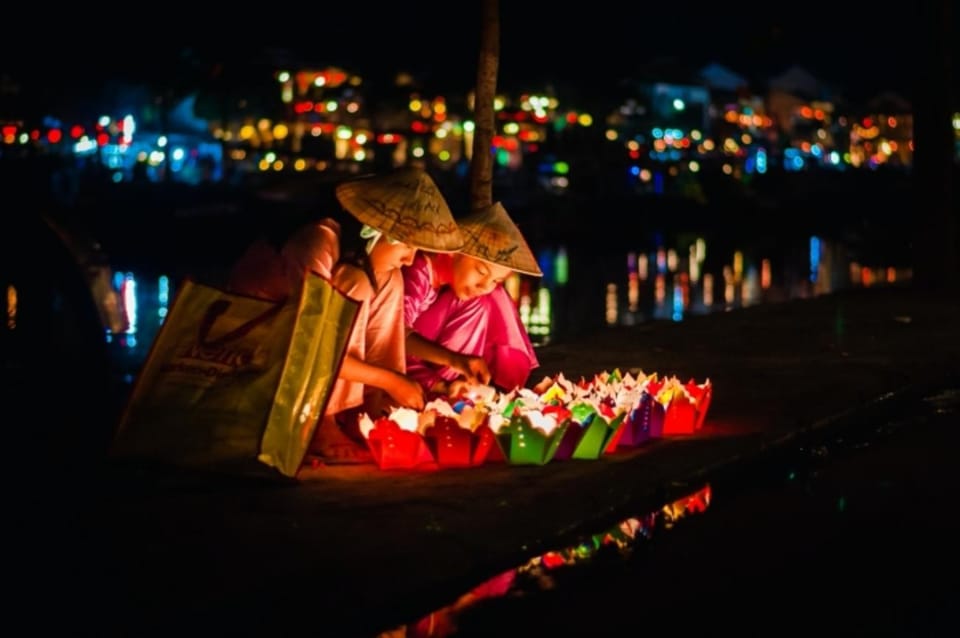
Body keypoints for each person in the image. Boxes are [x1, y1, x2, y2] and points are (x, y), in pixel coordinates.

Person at [228, 166, 464, 461]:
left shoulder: (366, 261)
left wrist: (391, 384)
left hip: (303, 348)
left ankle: (366, 408)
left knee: (391, 279)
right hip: (255, 342)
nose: (409, 259)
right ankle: (320, 421)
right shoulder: (317, 242)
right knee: (360, 283)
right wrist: (392, 380)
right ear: (373, 231)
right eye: (406, 245)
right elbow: (313, 346)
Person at [403, 201, 543, 395]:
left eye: (496, 280)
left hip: (420, 357)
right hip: (396, 356)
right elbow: (395, 335)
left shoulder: (448, 285)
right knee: (477, 300)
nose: (485, 285)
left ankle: (458, 386)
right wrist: (454, 359)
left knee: (491, 297)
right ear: (454, 251)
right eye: (481, 271)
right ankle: (446, 386)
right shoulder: (418, 270)